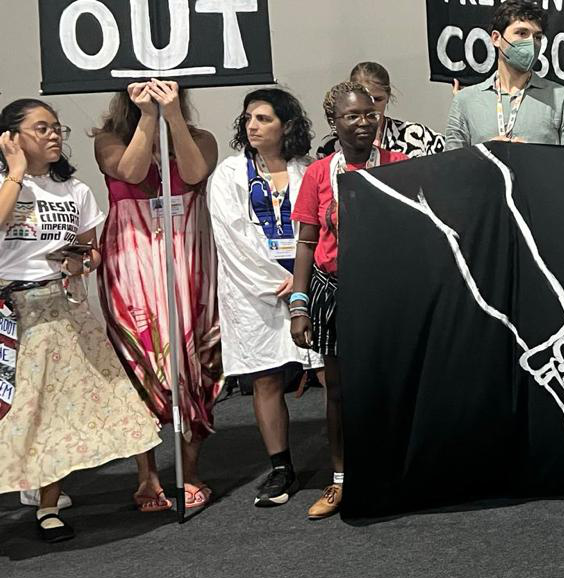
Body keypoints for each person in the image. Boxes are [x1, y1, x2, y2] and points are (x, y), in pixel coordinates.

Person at [1, 100, 160, 543]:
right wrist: (16, 171)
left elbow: (91, 250)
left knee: (65, 406)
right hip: (14, 312)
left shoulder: (73, 189)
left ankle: (50, 505)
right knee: (19, 409)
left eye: (57, 128)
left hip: (64, 307)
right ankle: (31, 484)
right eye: (41, 128)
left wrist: (81, 262)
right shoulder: (7, 183)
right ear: (11, 136)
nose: (54, 135)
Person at [92, 80, 221, 513]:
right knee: (139, 363)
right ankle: (146, 474)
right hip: (132, 257)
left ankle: (191, 469)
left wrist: (172, 117)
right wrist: (148, 117)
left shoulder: (201, 138)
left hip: (188, 255)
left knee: (195, 362)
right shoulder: (109, 140)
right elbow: (130, 172)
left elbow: (194, 173)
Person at [290, 82, 408, 520]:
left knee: (390, 384)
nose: (363, 123)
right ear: (333, 122)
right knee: (338, 391)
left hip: (386, 293)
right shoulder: (320, 174)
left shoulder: (398, 166)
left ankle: (393, 473)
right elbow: (306, 242)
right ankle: (341, 479)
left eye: (369, 114)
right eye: (351, 116)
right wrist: (299, 304)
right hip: (334, 290)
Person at [207, 88, 323, 508]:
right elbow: (232, 238)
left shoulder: (309, 170)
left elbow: (323, 228)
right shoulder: (228, 173)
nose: (252, 126)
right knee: (266, 377)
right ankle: (281, 468)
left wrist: (303, 280)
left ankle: (348, 462)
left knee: (328, 371)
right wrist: (282, 281)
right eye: (248, 118)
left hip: (311, 282)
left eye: (263, 118)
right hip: (255, 290)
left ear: (286, 125)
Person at [445, 0, 564, 149]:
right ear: (496, 38)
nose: (531, 43)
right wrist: (486, 152)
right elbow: (452, 161)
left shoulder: (561, 98)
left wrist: (532, 157)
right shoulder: (465, 100)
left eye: (537, 37)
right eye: (521, 33)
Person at [315, 62, 445, 158]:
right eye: (364, 99)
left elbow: (452, 157)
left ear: (388, 97)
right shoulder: (331, 146)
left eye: (377, 99)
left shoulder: (417, 136)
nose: (370, 106)